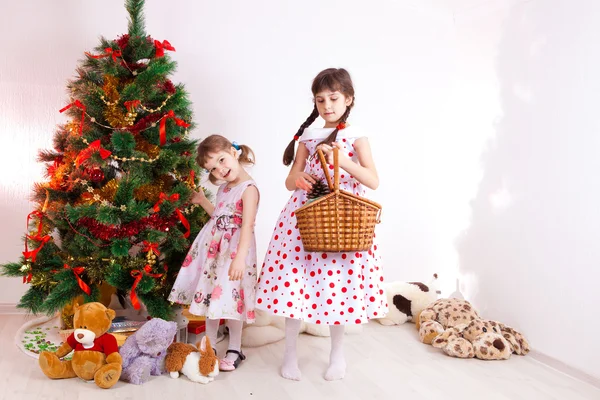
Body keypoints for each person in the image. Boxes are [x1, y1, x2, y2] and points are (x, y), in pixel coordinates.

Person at [255, 68, 387, 381]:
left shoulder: (357, 137)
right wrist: (296, 179)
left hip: (343, 220)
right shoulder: (309, 137)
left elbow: (373, 180)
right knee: (295, 284)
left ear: (348, 99)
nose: (327, 105)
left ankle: (337, 356)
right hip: (305, 217)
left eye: (333, 98)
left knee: (336, 287)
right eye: (320, 99)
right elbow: (291, 179)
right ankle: (290, 352)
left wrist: (343, 158)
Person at [169, 134, 259, 371]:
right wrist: (201, 201)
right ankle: (209, 347)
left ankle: (235, 348)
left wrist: (239, 258)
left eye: (221, 160)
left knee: (232, 299)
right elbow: (219, 215)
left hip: (234, 254)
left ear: (233, 151)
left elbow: (247, 225)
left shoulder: (248, 189)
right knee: (210, 296)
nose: (220, 169)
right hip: (213, 253)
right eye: (213, 168)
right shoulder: (224, 189)